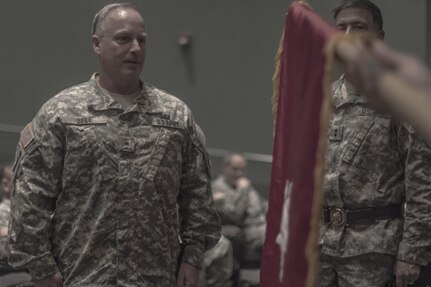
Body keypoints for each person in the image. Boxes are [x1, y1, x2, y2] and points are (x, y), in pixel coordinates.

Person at [7, 3, 221, 287]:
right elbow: (30, 197)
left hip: (156, 276)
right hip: (81, 275)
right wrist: (41, 267)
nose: (135, 48)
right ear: (97, 44)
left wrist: (193, 258)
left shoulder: (175, 116)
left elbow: (196, 194)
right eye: (123, 38)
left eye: (141, 40)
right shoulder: (61, 113)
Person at [318, 1, 431, 287]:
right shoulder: (324, 98)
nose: (348, 34)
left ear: (378, 38)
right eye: (341, 28)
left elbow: (421, 181)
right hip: (321, 245)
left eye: (359, 27)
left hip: (373, 250)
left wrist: (412, 252)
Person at [212, 152, 267, 286]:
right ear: (225, 167)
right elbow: (234, 212)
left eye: (242, 170)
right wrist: (242, 190)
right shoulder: (218, 187)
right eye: (235, 169)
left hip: (264, 224)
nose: (239, 174)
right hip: (251, 230)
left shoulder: (242, 185)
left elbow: (261, 205)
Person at [0, 162, 33, 287]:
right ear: (5, 185)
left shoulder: (26, 209)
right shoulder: (3, 211)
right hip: (10, 274)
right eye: (21, 181)